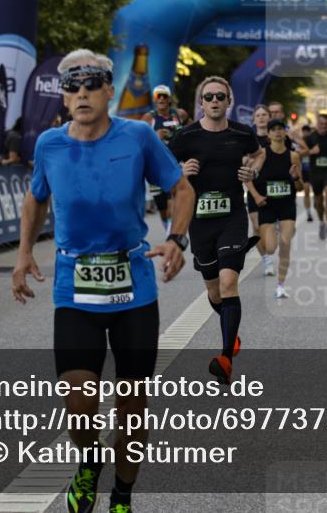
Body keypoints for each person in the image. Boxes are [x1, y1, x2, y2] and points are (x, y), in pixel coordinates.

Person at [11, 49, 195, 513]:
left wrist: (176, 238)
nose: (82, 93)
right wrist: (23, 254)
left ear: (109, 90)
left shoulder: (137, 137)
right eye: (72, 86)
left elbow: (182, 188)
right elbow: (36, 200)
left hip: (133, 285)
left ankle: (122, 496)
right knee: (78, 402)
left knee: (132, 409)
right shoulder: (50, 144)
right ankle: (89, 464)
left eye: (92, 83)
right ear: (64, 95)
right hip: (75, 285)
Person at [170, 76, 264, 385]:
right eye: (208, 96)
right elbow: (162, 168)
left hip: (233, 217)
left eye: (219, 96)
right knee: (213, 289)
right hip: (199, 221)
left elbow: (259, 152)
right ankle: (231, 333)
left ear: (228, 101)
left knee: (228, 283)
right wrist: (180, 171)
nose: (213, 101)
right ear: (201, 103)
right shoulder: (186, 136)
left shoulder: (241, 133)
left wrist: (253, 169)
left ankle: (225, 357)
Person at [248, 118, 303, 298]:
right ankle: (265, 236)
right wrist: (256, 196)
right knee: (271, 248)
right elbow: (247, 177)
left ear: (285, 132)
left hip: (287, 204)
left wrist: (295, 178)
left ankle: (280, 285)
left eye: (281, 129)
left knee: (285, 244)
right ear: (269, 133)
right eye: (274, 129)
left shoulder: (293, 156)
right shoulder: (261, 155)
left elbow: (300, 187)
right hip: (267, 205)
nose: (278, 132)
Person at [142, 85, 187, 233]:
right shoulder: (149, 118)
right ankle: (169, 228)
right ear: (154, 99)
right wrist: (155, 136)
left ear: (169, 99)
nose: (161, 99)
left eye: (164, 96)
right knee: (162, 207)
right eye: (158, 96)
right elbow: (140, 141)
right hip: (156, 167)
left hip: (176, 163)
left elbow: (192, 129)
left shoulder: (179, 114)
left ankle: (173, 234)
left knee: (173, 201)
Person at [245, 105, 274, 275]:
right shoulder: (250, 140)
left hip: (275, 191)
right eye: (258, 115)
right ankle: (266, 260)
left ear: (269, 117)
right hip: (255, 188)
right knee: (256, 228)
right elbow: (245, 171)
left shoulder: (276, 137)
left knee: (270, 230)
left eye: (264, 115)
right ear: (254, 119)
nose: (262, 118)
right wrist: (255, 195)